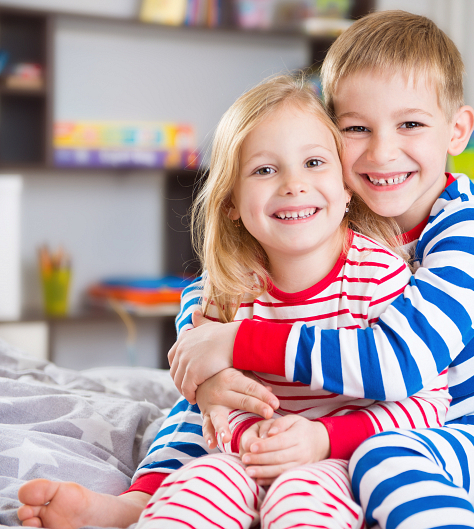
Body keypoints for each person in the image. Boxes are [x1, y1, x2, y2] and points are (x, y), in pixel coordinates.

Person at [167, 10, 474, 529]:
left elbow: (400, 363)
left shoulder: (472, 232)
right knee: (195, 413)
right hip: (393, 417)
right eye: (357, 128)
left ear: (457, 131)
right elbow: (223, 284)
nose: (382, 151)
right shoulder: (350, 206)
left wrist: (238, 343)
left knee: (380, 459)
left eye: (411, 124)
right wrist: (209, 363)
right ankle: (143, 502)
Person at [17, 74, 449, 529]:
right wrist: (244, 433)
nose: (293, 185)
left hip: (335, 455)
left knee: (299, 497)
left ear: (347, 190)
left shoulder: (378, 275)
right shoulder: (228, 286)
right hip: (240, 449)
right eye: (265, 170)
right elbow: (200, 374)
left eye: (315, 162)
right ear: (231, 203)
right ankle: (140, 506)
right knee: (201, 478)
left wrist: (324, 438)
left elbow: (426, 402)